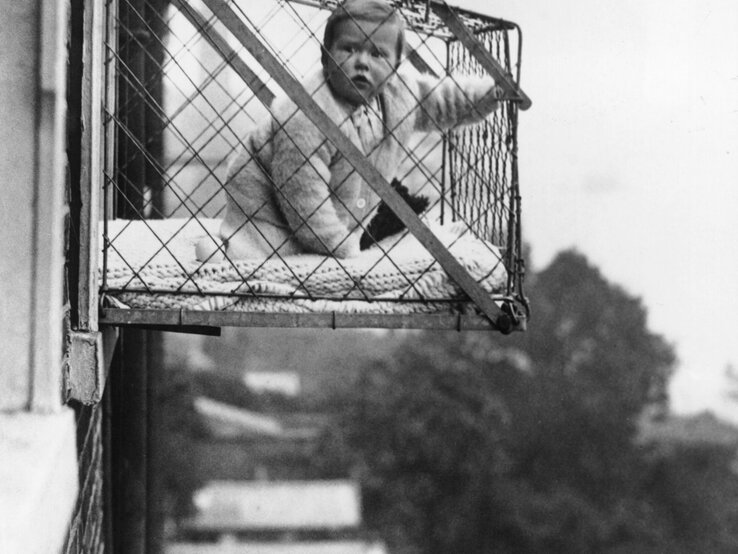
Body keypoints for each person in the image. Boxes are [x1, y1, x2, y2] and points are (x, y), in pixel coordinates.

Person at [196, 0, 503, 262]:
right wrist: (341, 249)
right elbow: (304, 199)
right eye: (349, 48)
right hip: (266, 203)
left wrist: (491, 95)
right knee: (263, 251)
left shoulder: (400, 95)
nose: (362, 63)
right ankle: (227, 247)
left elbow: (444, 102)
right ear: (325, 56)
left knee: (339, 236)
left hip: (340, 204)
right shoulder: (307, 115)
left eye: (377, 54)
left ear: (396, 66)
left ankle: (328, 240)